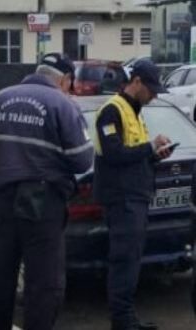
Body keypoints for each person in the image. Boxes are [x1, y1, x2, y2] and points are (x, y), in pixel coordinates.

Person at [0, 53, 93, 330]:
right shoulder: (63, 105)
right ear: (64, 80)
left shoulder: (0, 99)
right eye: (71, 84)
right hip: (43, 203)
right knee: (43, 285)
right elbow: (82, 159)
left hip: (1, 199)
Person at [93, 59, 172, 330]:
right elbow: (114, 155)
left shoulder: (133, 110)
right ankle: (122, 321)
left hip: (135, 197)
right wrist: (149, 148)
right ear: (135, 82)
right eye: (150, 89)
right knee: (124, 260)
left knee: (131, 260)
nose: (153, 95)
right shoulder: (112, 111)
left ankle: (127, 319)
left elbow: (134, 156)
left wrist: (155, 154)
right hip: (122, 199)